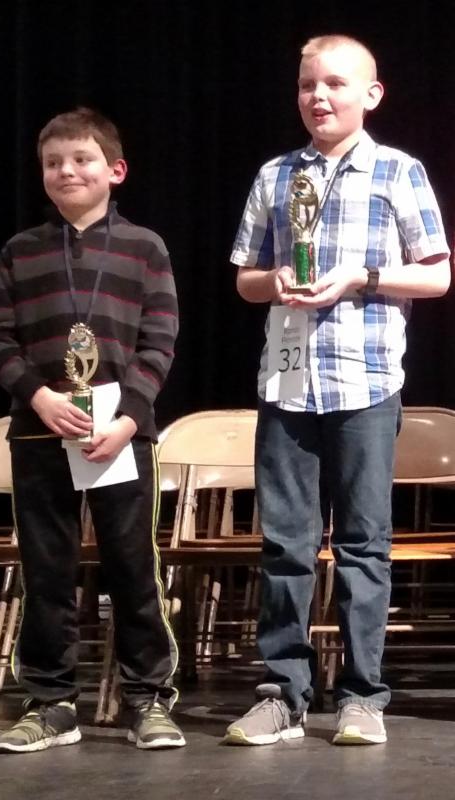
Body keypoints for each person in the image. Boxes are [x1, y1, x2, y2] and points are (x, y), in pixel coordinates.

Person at [224, 35, 450, 746]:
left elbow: (437, 273)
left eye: (334, 84)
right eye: (306, 86)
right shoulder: (275, 174)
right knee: (285, 545)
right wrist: (274, 282)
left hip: (365, 381)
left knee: (362, 545)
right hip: (288, 383)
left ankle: (361, 696)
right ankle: (281, 694)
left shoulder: (397, 171)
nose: (318, 97)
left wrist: (361, 278)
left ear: (370, 95)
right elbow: (245, 277)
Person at [0, 108, 184, 753]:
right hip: (41, 433)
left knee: (133, 568)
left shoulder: (145, 248)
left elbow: (159, 341)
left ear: (115, 170)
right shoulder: (20, 250)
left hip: (122, 437)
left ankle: (148, 699)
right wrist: (38, 396)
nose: (66, 171)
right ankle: (51, 703)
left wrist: (129, 418)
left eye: (82, 159)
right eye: (53, 163)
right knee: (47, 571)